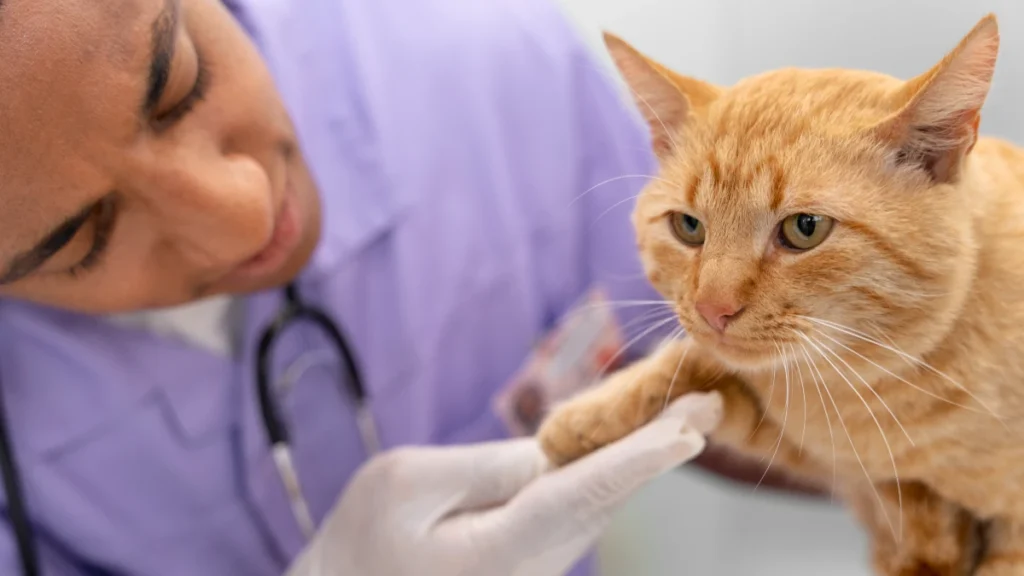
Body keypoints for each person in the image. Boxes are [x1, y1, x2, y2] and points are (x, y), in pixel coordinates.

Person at [0, 0, 720, 574]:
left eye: (182, 82)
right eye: (84, 237)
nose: (244, 215)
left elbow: (714, 377)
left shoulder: (495, 61)